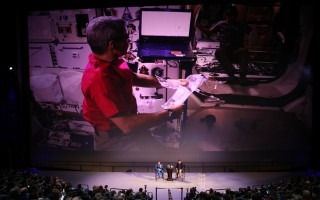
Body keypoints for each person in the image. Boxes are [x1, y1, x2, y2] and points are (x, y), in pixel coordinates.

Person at [81, 16, 188, 151]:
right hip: (116, 140)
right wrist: (170, 113)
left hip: (129, 129)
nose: (129, 41)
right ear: (112, 45)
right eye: (126, 38)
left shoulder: (111, 60)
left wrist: (170, 83)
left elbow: (133, 77)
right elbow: (127, 125)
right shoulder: (101, 80)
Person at [202, 5, 251, 85]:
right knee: (218, 51)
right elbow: (208, 32)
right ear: (226, 16)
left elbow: (252, 32)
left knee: (244, 51)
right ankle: (232, 75)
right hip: (225, 52)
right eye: (229, 16)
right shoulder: (221, 24)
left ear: (236, 16)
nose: (231, 18)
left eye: (233, 16)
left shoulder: (241, 25)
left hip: (236, 51)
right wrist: (197, 24)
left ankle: (242, 77)